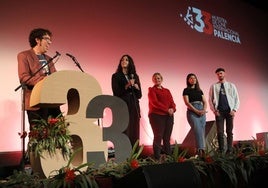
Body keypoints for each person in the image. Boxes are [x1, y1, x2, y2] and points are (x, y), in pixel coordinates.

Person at [18, 28, 62, 129]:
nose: (49, 42)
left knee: (59, 130)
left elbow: (55, 76)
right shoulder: (24, 56)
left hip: (51, 101)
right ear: (37, 40)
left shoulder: (49, 58)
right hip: (35, 101)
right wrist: (44, 81)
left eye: (50, 40)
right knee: (38, 134)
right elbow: (24, 77)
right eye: (47, 39)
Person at [111, 54, 142, 146]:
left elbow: (139, 95)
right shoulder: (116, 76)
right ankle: (124, 153)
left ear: (130, 63)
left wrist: (137, 88)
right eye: (122, 60)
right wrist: (128, 85)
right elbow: (116, 92)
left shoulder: (135, 76)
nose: (124, 61)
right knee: (124, 129)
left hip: (134, 105)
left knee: (134, 129)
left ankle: (135, 153)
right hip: (122, 105)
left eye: (126, 60)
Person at [209, 68, 240, 154]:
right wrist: (214, 110)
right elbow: (210, 100)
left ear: (224, 74)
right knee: (220, 132)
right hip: (219, 112)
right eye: (218, 74)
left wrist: (234, 110)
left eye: (221, 73)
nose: (220, 75)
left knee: (229, 131)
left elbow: (237, 99)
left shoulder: (231, 85)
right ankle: (221, 150)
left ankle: (229, 150)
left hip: (229, 111)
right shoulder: (214, 86)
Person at [148, 72, 176, 160]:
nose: (157, 79)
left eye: (158, 78)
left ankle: (169, 158)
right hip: (156, 116)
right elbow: (155, 103)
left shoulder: (167, 90)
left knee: (167, 138)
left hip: (168, 116)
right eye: (155, 78)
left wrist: (173, 109)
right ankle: (157, 158)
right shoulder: (151, 90)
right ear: (153, 80)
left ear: (161, 79)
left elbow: (172, 102)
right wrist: (167, 109)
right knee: (158, 136)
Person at [182, 73, 207, 157]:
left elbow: (205, 102)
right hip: (192, 110)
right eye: (191, 78)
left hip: (201, 110)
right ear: (188, 80)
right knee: (197, 130)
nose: (193, 79)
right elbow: (187, 102)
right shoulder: (186, 90)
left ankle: (199, 150)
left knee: (202, 130)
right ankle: (201, 151)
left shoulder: (200, 90)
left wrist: (204, 110)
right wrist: (196, 111)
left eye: (194, 78)